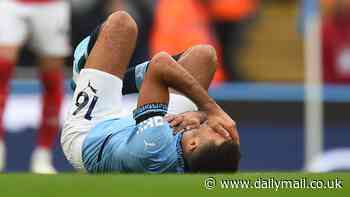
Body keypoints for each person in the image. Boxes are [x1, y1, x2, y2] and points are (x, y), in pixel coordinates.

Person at [62, 11, 240, 173]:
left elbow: (160, 64)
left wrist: (212, 110)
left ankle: (87, 78)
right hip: (139, 134)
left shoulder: (156, 145)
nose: (218, 129)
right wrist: (198, 114)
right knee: (204, 57)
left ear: (193, 144)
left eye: (216, 135)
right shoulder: (187, 150)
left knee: (122, 24)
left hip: (92, 134)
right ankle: (110, 80)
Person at [0, 0, 71, 173]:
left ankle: (43, 154)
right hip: (11, 3)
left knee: (52, 78)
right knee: (2, 66)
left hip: (51, 5)